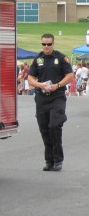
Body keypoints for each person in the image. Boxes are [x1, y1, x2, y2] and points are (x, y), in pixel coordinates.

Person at [28, 33, 75, 172]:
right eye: (44, 44)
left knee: (54, 125)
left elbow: (70, 75)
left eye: (49, 44)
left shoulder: (60, 58)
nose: (46, 47)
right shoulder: (38, 59)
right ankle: (49, 161)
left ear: (53, 44)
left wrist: (58, 85)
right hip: (42, 97)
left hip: (57, 96)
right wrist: (40, 85)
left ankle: (58, 160)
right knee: (45, 129)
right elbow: (30, 77)